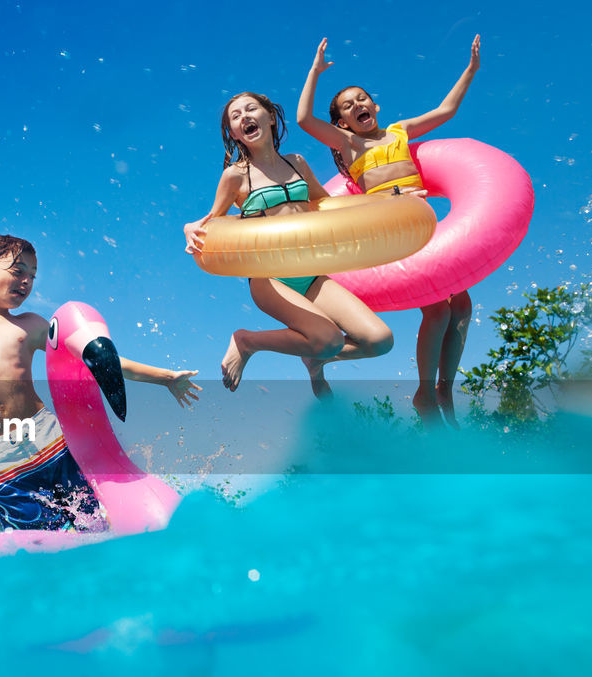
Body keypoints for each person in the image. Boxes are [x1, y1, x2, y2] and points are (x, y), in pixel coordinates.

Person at [0, 150, 200, 531]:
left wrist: (165, 378)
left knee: (95, 533)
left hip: (52, 445)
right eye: (18, 271)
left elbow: (95, 361)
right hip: (1, 466)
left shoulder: (29, 325)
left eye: (32, 274)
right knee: (45, 553)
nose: (27, 281)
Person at [297, 36, 481, 426]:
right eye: (347, 106)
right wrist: (314, 73)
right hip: (392, 230)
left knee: (461, 306)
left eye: (361, 98)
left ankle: (443, 388)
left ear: (375, 105)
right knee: (435, 309)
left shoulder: (399, 131)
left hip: (423, 221)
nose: (357, 106)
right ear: (342, 123)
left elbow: (446, 110)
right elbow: (304, 121)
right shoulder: (349, 144)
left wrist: (470, 70)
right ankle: (424, 393)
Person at [183, 93, 394, 395]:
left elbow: (323, 203)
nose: (245, 116)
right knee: (330, 338)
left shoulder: (296, 162)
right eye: (236, 116)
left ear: (270, 117)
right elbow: (212, 220)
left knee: (379, 340)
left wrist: (381, 203)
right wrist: (188, 227)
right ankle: (247, 341)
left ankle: (314, 357)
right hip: (270, 278)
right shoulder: (235, 177)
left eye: (251, 109)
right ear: (233, 133)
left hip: (311, 274)